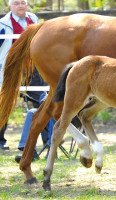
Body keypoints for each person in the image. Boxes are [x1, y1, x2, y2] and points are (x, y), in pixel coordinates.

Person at [0, 0, 39, 150]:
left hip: (32, 67)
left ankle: (36, 142)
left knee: (40, 99)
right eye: (16, 3)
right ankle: (0, 141)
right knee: (5, 102)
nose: (21, 6)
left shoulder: (33, 19)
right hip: (10, 69)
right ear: (10, 6)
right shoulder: (3, 24)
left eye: (23, 2)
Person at [15, 91, 55, 163]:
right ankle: (29, 150)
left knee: (52, 112)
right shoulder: (50, 82)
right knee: (31, 112)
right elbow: (44, 94)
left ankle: (52, 149)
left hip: (60, 113)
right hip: (45, 108)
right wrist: (45, 98)